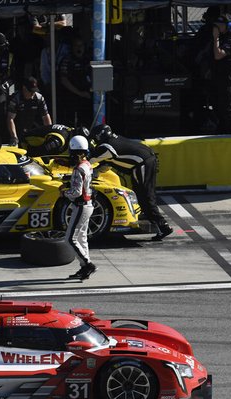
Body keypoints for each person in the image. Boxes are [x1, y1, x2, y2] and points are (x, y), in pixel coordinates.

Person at [89, 123, 173, 241]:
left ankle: (163, 225)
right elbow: (107, 163)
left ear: (99, 136)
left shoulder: (107, 147)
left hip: (143, 163)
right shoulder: (115, 139)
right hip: (146, 159)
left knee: (145, 195)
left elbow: (92, 160)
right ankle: (149, 215)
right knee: (142, 192)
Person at [64, 135, 96, 280]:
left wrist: (64, 192)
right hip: (88, 205)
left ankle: (87, 265)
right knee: (82, 238)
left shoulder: (78, 169)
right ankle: (85, 268)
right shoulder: (88, 165)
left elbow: (76, 192)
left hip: (81, 206)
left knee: (70, 239)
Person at [211, 14, 231, 134]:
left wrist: (215, 38)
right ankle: (221, 128)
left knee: (226, 106)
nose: (218, 28)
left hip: (228, 77)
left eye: (220, 26)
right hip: (218, 75)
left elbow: (218, 55)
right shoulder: (223, 36)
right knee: (217, 104)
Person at [6, 76, 52, 145]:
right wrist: (14, 137)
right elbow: (10, 118)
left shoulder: (39, 98)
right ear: (24, 88)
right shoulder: (16, 99)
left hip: (31, 129)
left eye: (34, 91)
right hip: (16, 130)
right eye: (31, 91)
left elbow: (45, 116)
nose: (32, 94)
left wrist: (50, 133)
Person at [58, 36, 91, 127]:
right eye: (76, 46)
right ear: (72, 47)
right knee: (72, 124)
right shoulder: (67, 60)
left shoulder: (88, 60)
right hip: (71, 99)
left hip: (87, 98)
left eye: (81, 46)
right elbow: (64, 80)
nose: (79, 48)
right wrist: (80, 93)